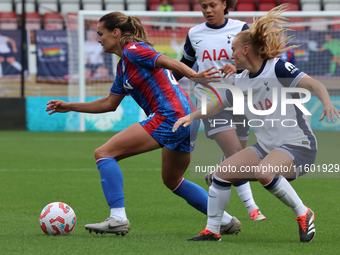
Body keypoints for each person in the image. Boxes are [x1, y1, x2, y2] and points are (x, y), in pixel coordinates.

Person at [46, 12, 242, 236]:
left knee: (104, 154)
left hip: (170, 115)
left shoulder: (133, 49)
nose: (99, 39)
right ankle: (224, 220)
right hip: (185, 116)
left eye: (101, 34)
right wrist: (70, 106)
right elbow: (110, 103)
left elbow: (166, 60)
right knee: (173, 180)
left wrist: (194, 75)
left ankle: (118, 218)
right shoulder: (123, 66)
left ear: (116, 33)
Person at [173, 4, 340, 242]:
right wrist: (192, 116)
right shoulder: (240, 80)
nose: (230, 55)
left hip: (298, 146)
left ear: (246, 49)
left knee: (264, 172)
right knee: (221, 175)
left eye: (233, 49)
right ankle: (212, 230)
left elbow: (315, 85)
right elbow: (219, 105)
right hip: (265, 148)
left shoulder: (277, 67)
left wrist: (327, 103)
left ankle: (304, 213)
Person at [173, 0, 266, 221]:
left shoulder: (242, 28)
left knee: (238, 159)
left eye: (212, 5)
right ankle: (252, 207)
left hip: (240, 99)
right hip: (211, 101)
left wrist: (238, 66)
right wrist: (164, 83)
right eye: (203, 5)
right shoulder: (194, 33)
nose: (207, 10)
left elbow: (257, 62)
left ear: (225, 4)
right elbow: (184, 65)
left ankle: (217, 176)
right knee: (236, 154)